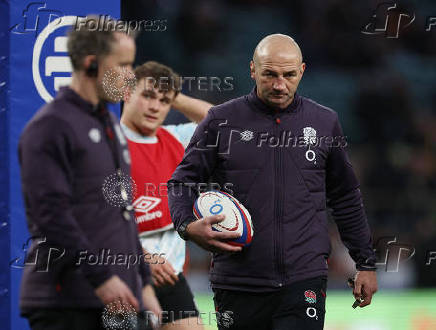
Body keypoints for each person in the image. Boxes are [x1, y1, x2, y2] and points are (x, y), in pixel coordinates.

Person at [167, 34, 378, 330]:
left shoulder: (324, 122)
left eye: (289, 75)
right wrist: (187, 226)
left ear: (302, 71)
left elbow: (345, 196)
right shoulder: (220, 121)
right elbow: (181, 183)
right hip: (237, 282)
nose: (280, 84)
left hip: (304, 279)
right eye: (269, 74)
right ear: (252, 70)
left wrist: (365, 263)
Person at [18, 16, 160, 330]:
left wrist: (144, 282)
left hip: (120, 299)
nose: (130, 77)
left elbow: (124, 211)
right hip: (68, 303)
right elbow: (50, 215)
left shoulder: (109, 124)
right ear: (91, 64)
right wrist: (101, 278)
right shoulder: (51, 126)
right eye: (123, 65)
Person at [121, 61, 212, 329]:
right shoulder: (107, 143)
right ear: (127, 93)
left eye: (163, 100)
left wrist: (176, 97)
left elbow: (221, 120)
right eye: (147, 95)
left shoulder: (175, 139)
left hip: (170, 279)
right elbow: (94, 219)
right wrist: (141, 257)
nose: (154, 107)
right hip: (123, 271)